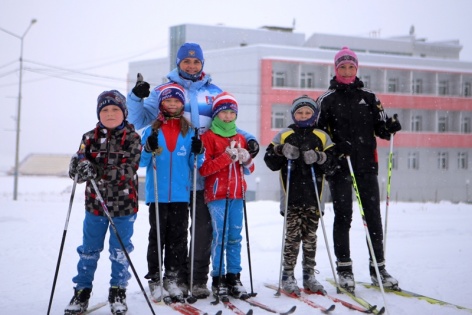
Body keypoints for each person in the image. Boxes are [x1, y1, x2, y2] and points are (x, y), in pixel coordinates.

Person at [127, 42, 259, 298]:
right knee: (169, 232)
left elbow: (226, 123)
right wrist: (136, 97)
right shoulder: (164, 90)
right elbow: (138, 120)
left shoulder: (214, 91)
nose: (191, 65)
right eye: (187, 61)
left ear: (202, 64)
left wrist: (248, 137)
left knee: (201, 232)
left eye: (196, 62)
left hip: (205, 175)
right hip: (172, 176)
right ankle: (170, 278)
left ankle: (196, 279)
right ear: (178, 63)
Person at [316, 46, 402, 293]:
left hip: (366, 165)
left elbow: (382, 130)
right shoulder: (326, 99)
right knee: (344, 216)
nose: (346, 70)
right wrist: (335, 146)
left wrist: (392, 127)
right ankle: (345, 270)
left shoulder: (370, 97)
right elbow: (319, 135)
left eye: (351, 66)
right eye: (342, 66)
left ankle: (379, 269)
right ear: (335, 69)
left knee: (373, 217)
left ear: (357, 68)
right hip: (341, 167)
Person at [65, 90, 141, 315]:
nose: (110, 113)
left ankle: (118, 290)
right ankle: (81, 291)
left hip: (124, 206)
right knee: (89, 250)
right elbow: (80, 165)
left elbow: (129, 170)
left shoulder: (133, 138)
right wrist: (76, 169)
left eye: (115, 109)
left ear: (124, 112)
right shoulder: (88, 137)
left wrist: (97, 171)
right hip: (95, 206)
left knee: (120, 251)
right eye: (105, 110)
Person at [264, 95, 337, 296]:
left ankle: (309, 275)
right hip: (291, 197)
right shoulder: (285, 134)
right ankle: (288, 275)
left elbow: (332, 164)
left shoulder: (321, 136)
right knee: (292, 237)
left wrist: (320, 157)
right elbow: (270, 161)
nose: (303, 115)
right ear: (293, 114)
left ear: (314, 115)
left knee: (311, 238)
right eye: (299, 112)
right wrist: (280, 150)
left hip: (314, 196)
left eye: (307, 112)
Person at [139, 83, 204, 303]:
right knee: (157, 237)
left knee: (178, 238)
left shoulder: (190, 129)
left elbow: (196, 163)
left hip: (180, 194)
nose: (173, 104)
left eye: (176, 101)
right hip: (157, 194)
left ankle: (173, 278)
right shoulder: (152, 129)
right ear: (162, 104)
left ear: (181, 104)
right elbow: (141, 161)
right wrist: (147, 148)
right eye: (169, 101)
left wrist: (199, 152)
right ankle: (155, 279)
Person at [199, 92, 255, 301]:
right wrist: (226, 158)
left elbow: (249, 169)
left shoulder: (240, 137)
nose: (228, 117)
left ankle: (234, 276)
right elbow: (203, 169)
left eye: (232, 113)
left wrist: (247, 158)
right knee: (219, 237)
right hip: (217, 194)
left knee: (235, 237)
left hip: (237, 194)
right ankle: (218, 277)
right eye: (224, 113)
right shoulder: (209, 137)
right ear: (216, 115)